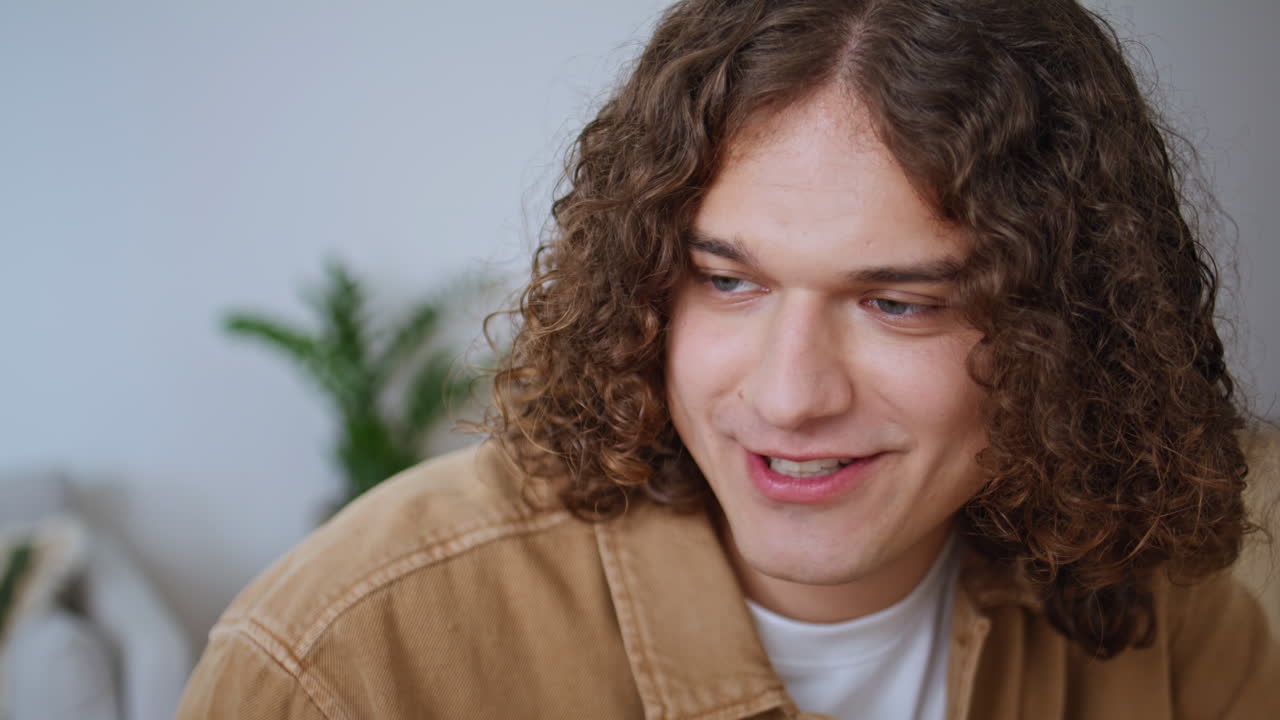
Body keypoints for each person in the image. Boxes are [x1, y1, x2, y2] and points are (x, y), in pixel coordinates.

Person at [178, 1, 1279, 718]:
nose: (787, 395)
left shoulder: (1175, 631)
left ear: (1064, 326)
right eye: (727, 280)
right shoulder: (346, 659)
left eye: (896, 303)